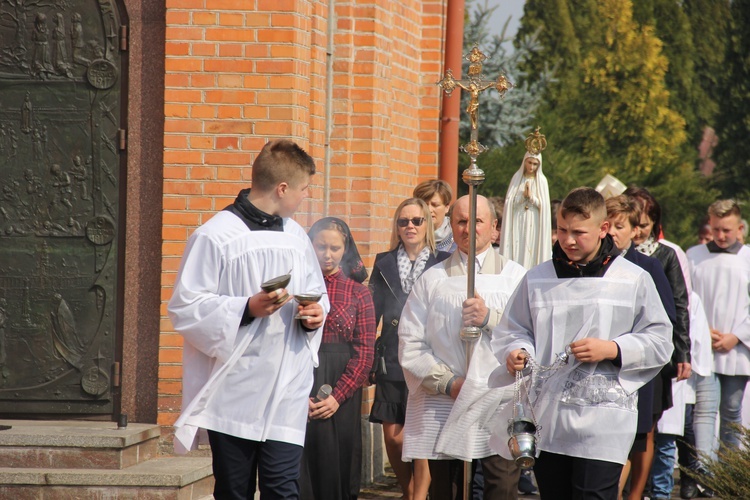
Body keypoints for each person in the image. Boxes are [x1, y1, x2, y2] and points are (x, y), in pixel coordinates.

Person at [168, 139, 329, 499]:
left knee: (282, 489)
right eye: (304, 189)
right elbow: (185, 306)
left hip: (287, 386)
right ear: (282, 188)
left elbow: (318, 293)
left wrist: (314, 316)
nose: (306, 197)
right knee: (234, 491)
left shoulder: (296, 236)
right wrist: (247, 308)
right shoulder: (216, 235)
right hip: (235, 390)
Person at [493, 187, 673, 499]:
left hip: (604, 420)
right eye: (562, 230)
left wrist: (613, 349)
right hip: (548, 419)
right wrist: (517, 352)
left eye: (579, 232)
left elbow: (660, 340)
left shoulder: (632, 279)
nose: (568, 240)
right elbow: (513, 329)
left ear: (604, 228)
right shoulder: (538, 278)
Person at [399, 195, 526, 499]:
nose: (469, 229)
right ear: (451, 226)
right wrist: (449, 383)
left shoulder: (516, 277)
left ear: (494, 227)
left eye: (478, 221)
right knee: (447, 489)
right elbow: (410, 343)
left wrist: (489, 318)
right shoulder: (432, 280)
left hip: (499, 399)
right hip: (445, 401)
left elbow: (529, 334)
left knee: (501, 487)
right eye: (461, 221)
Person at [369, 198, 451, 500]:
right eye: (403, 221)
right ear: (397, 226)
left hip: (429, 356)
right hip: (391, 356)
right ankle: (409, 492)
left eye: (417, 221)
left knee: (420, 434)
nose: (410, 226)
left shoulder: (443, 261)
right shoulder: (384, 261)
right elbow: (372, 313)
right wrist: (367, 358)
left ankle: (418, 496)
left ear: (427, 225)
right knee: (394, 438)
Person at [605, 195, 676, 500]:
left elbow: (667, 316)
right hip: (605, 364)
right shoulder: (597, 266)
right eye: (608, 226)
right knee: (613, 439)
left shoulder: (648, 266)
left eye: (619, 226)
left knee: (640, 434)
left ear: (634, 230)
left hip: (641, 365)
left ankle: (635, 495)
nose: (612, 233)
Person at [300, 217, 376, 500]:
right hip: (300, 379)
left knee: (338, 464)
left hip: (342, 387)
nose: (327, 254)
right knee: (299, 464)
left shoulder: (359, 293)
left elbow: (365, 353)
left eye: (335, 248)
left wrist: (337, 396)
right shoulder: (297, 287)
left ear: (346, 250)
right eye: (321, 246)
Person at [624, 187, 691, 500]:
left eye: (645, 223)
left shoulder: (664, 255)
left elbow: (678, 304)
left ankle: (637, 492)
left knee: (645, 428)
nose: (639, 230)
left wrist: (682, 352)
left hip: (655, 355)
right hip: (619, 352)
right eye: (632, 222)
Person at [687, 200, 750, 451]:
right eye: (716, 230)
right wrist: (701, 330)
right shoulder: (694, 256)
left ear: (740, 227)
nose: (721, 236)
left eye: (727, 230)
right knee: (704, 411)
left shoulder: (747, 258)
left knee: (731, 410)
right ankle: (705, 472)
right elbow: (688, 298)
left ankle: (729, 471)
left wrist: (736, 336)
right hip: (703, 345)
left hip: (737, 347)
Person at [499, 150, 552, 269]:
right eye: (529, 163)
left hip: (534, 220)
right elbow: (509, 202)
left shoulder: (542, 181)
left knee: (532, 247)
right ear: (524, 162)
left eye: (535, 164)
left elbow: (544, 206)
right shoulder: (517, 178)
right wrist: (523, 197)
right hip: (519, 218)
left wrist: (531, 197)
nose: (531, 167)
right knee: (518, 245)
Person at [413, 179, 455, 252]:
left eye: (435, 205)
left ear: (446, 207)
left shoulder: (458, 239)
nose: (429, 210)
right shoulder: (409, 235)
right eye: (424, 205)